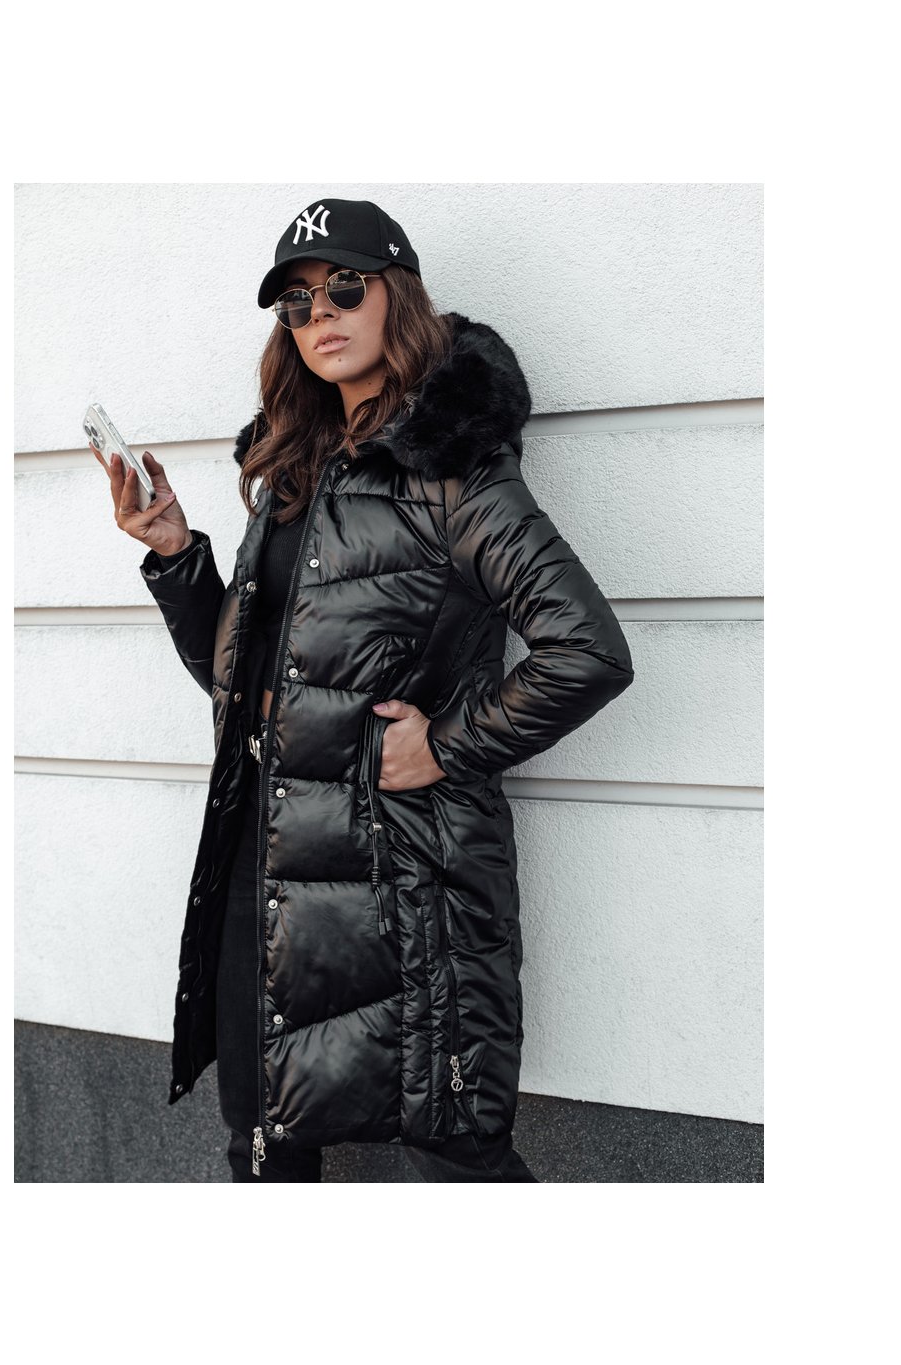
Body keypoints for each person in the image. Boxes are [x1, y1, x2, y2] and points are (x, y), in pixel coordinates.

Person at [92, 197, 635, 1182]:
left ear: (397, 295)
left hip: (405, 884)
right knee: (265, 1142)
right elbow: (245, 685)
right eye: (297, 303)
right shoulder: (293, 472)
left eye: (345, 287)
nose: (322, 315)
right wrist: (175, 554)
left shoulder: (454, 469)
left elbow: (587, 648)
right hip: (270, 865)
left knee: (455, 1157)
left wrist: (447, 742)